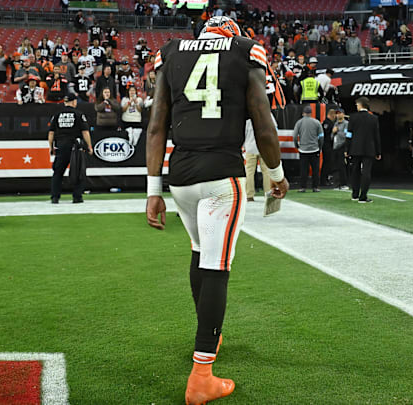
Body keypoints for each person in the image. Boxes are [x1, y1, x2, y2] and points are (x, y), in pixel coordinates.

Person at [144, 17, 288, 405]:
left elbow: (156, 125)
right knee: (217, 265)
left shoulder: (172, 51)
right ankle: (201, 375)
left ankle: (208, 333)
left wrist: (152, 190)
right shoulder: (245, 51)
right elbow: (262, 119)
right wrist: (275, 173)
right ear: (233, 35)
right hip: (221, 176)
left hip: (181, 178)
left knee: (198, 251)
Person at [48, 94, 93, 204]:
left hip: (61, 146)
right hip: (75, 147)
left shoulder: (57, 115)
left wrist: (51, 147)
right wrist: (89, 146)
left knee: (58, 172)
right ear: (74, 102)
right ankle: (77, 197)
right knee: (78, 171)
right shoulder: (78, 114)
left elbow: (51, 133)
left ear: (65, 102)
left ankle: (55, 197)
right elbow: (85, 132)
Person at [346, 96, 381, 203]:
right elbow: (376, 136)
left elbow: (349, 134)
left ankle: (355, 194)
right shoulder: (374, 118)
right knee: (366, 172)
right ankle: (363, 196)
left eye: (357, 104)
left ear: (361, 105)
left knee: (355, 171)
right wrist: (378, 151)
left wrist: (347, 148)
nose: (356, 106)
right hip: (369, 149)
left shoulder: (353, 117)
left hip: (355, 148)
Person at [293, 105, 324, 192]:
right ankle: (315, 187)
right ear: (311, 113)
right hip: (314, 149)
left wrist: (297, 146)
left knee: (304, 170)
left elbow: (295, 136)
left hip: (303, 150)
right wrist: (320, 147)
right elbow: (321, 137)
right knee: (315, 170)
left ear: (303, 113)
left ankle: (303, 187)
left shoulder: (299, 122)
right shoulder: (316, 122)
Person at [331, 108, 349, 190]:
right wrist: (333, 132)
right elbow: (331, 137)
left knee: (342, 166)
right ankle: (337, 184)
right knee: (336, 166)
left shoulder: (346, 124)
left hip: (342, 146)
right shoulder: (335, 124)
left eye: (339, 113)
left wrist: (337, 131)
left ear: (343, 114)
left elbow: (347, 136)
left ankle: (344, 184)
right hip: (335, 146)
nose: (338, 115)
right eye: (337, 113)